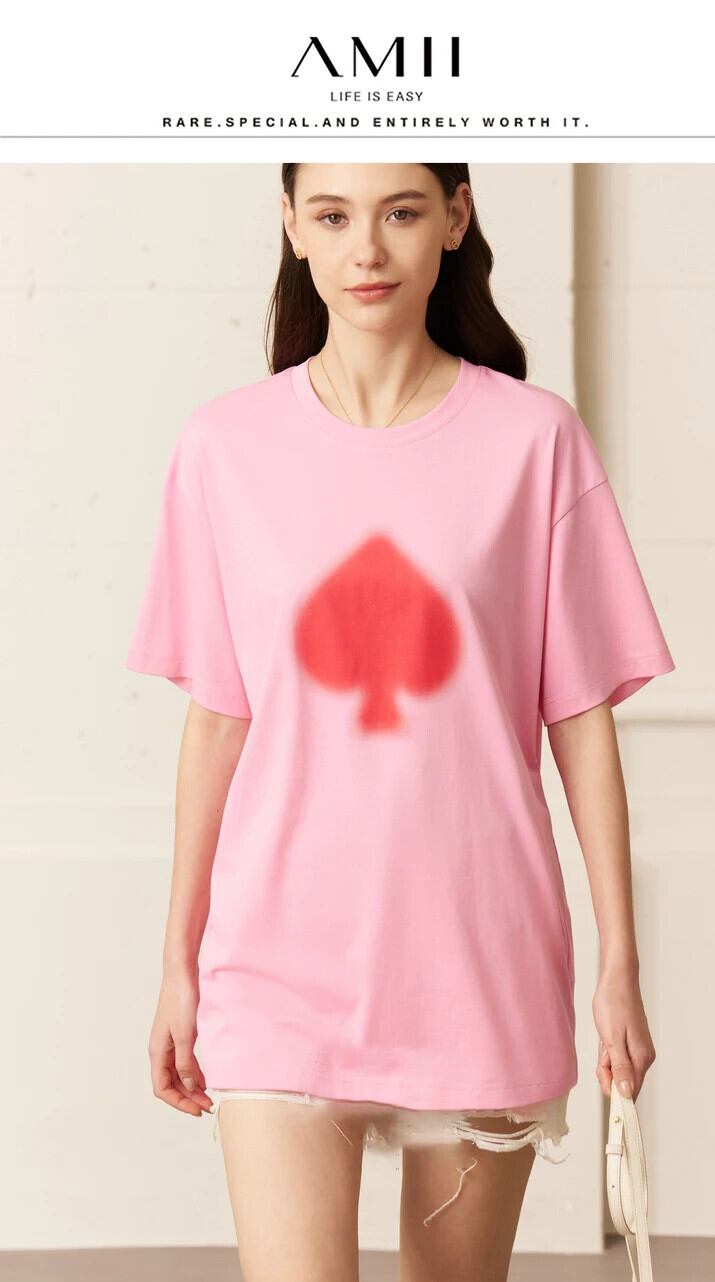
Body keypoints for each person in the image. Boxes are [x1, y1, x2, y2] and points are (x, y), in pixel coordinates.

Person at [125, 162, 676, 1281]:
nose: (366, 249)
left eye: (402, 212)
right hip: (275, 958)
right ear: (292, 226)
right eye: (333, 216)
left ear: (455, 219)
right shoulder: (224, 448)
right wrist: (177, 963)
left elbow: (579, 721)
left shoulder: (535, 441)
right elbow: (218, 721)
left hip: (477, 955)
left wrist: (619, 961)